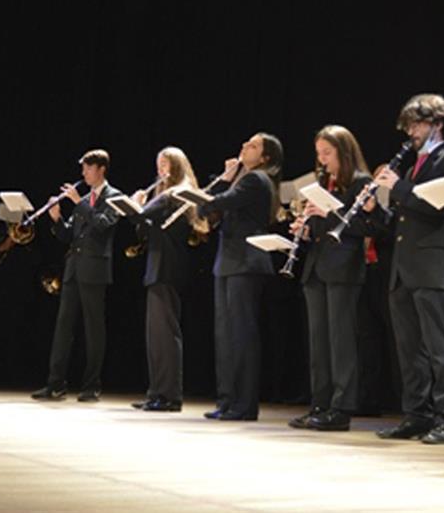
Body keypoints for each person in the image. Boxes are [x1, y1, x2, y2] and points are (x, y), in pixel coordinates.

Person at [371, 94, 444, 444]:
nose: (411, 132)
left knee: (439, 347)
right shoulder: (413, 164)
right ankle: (417, 414)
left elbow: (443, 208)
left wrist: (397, 187)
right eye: (409, 125)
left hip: (430, 263)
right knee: (409, 348)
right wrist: (375, 207)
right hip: (402, 266)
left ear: (438, 124)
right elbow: (399, 222)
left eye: (418, 124)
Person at [288, 126, 373, 431]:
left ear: (343, 152)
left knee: (341, 341)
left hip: (343, 268)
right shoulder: (326, 182)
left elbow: (366, 226)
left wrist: (328, 214)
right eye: (319, 154)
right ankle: (319, 404)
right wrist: (307, 228)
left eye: (327, 153)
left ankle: (341, 407)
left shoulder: (361, 182)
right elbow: (324, 228)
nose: (322, 160)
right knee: (319, 342)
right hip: (317, 268)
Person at [196, 133, 284, 421]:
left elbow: (217, 202)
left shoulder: (256, 179)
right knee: (225, 335)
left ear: (266, 158)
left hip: (246, 262)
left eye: (254, 146)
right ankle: (227, 400)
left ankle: (243, 404)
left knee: (242, 335)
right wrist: (226, 177)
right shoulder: (242, 179)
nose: (245, 146)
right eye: (245, 142)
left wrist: (225, 179)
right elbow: (209, 207)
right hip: (229, 262)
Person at [31, 150, 122, 402]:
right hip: (73, 268)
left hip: (95, 270)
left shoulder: (114, 197)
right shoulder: (86, 200)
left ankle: (92, 385)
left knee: (94, 329)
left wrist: (79, 201)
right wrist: (57, 218)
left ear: (101, 169)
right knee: (63, 326)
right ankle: (55, 384)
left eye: (87, 168)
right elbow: (70, 234)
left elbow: (103, 224)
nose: (83, 173)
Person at [129, 147, 207, 412]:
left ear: (177, 167)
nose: (161, 170)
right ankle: (157, 392)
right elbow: (146, 229)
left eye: (166, 165)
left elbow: (143, 215)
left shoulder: (176, 193)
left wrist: (137, 204)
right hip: (158, 266)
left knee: (165, 334)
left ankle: (169, 396)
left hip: (168, 267)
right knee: (156, 336)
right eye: (158, 164)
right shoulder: (164, 194)